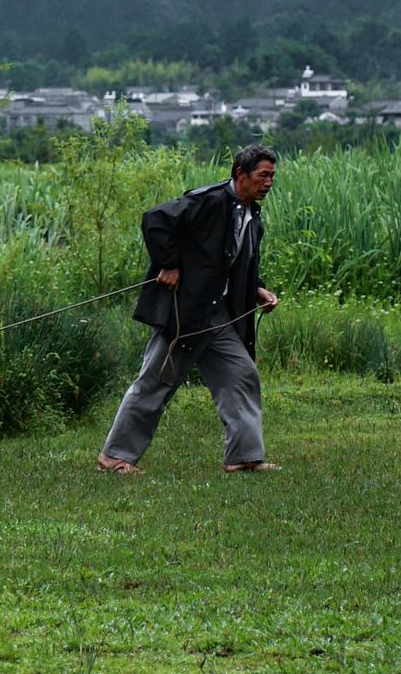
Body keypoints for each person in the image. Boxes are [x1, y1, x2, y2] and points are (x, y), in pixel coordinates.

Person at [97, 144, 280, 475]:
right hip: (186, 313)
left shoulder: (252, 216)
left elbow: (235, 261)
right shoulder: (208, 201)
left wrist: (257, 290)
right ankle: (114, 457)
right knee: (156, 381)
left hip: (219, 316)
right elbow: (155, 220)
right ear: (241, 175)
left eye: (272, 176)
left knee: (241, 375)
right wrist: (168, 265)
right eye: (263, 175)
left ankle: (244, 456)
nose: (268, 182)